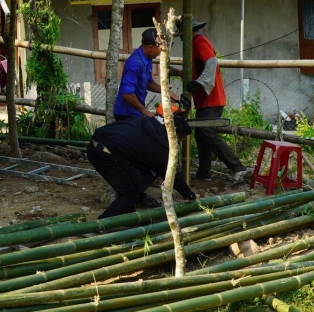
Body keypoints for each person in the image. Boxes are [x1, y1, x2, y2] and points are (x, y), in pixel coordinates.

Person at [85, 111, 196, 219]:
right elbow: (171, 173)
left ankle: (129, 217)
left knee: (134, 184)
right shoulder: (160, 147)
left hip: (95, 145)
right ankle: (102, 225)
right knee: (130, 194)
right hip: (107, 154)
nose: (179, 143)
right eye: (180, 139)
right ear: (174, 133)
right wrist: (189, 194)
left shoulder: (148, 123)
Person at [176, 17, 246, 186]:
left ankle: (238, 168)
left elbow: (212, 62)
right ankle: (204, 173)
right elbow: (196, 70)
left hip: (211, 99)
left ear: (187, 32)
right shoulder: (194, 44)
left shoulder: (198, 41)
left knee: (206, 132)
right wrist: (178, 72)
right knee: (201, 135)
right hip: (205, 100)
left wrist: (200, 82)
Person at [113, 28, 164, 119]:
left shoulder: (148, 58)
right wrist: (145, 111)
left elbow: (148, 82)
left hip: (136, 112)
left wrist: (165, 91)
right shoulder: (135, 63)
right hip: (126, 114)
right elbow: (127, 94)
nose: (161, 51)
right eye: (159, 48)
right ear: (150, 47)